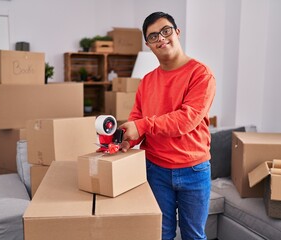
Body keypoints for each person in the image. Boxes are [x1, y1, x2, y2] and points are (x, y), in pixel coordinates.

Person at [119, 12, 216, 240]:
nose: (161, 38)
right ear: (148, 45)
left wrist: (141, 126)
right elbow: (137, 118)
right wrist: (124, 140)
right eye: (153, 36)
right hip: (156, 169)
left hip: (194, 170)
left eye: (166, 31)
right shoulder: (147, 81)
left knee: (194, 235)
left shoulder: (201, 74)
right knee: (160, 234)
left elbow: (186, 120)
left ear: (177, 32)